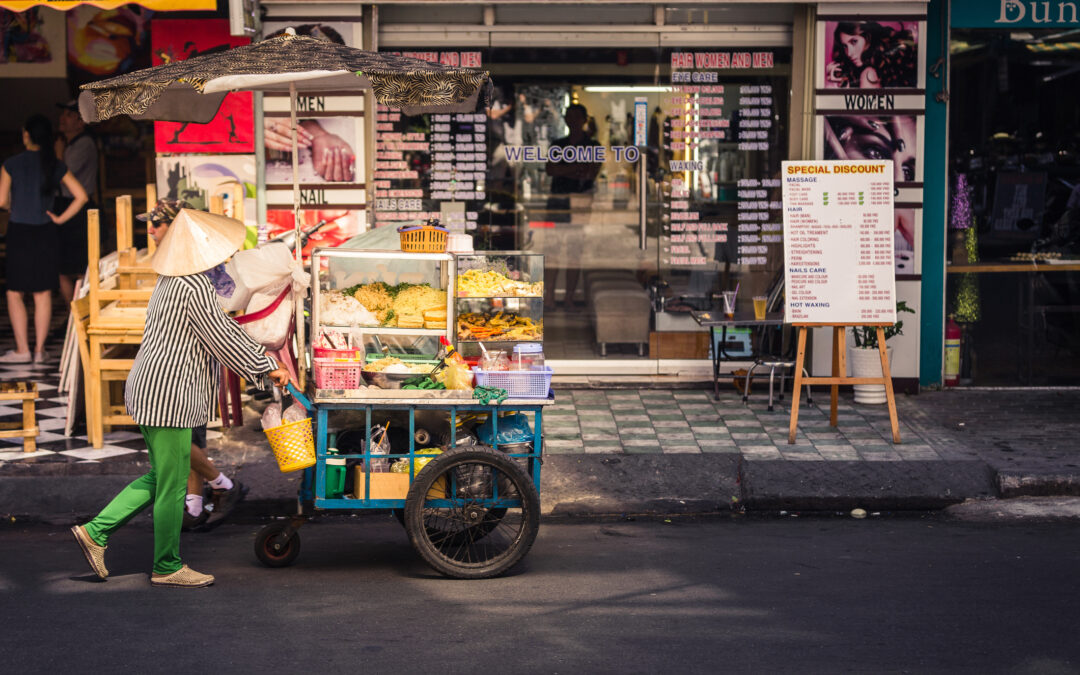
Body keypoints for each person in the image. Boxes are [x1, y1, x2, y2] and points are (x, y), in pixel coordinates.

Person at [71, 208, 291, 588]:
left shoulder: (173, 280)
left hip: (152, 390)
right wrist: (264, 365)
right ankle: (166, 565)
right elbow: (222, 336)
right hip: (167, 394)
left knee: (163, 477)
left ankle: (95, 532)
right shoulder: (193, 287)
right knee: (172, 485)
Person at [138, 199, 248, 532]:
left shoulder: (195, 278)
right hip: (177, 373)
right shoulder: (175, 272)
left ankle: (218, 489)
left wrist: (260, 365)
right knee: (184, 442)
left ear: (177, 228)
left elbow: (219, 328)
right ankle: (195, 505)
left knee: (185, 442)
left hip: (186, 374)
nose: (151, 230)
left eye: (157, 224)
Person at [0, 114, 89, 364]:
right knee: (42, 293)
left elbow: (1, 200)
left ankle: (22, 350)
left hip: (20, 231)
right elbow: (81, 196)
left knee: (15, 292)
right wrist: (60, 218)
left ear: (26, 135)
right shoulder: (55, 164)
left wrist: (11, 206)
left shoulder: (11, 164)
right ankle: (39, 351)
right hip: (46, 231)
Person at [541, 103, 602, 310]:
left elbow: (590, 173)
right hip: (557, 202)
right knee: (553, 251)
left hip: (580, 203)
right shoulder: (558, 144)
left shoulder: (594, 146)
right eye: (570, 116)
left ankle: (568, 298)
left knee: (575, 252)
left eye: (577, 117)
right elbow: (550, 170)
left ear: (584, 120)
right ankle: (549, 297)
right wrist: (576, 168)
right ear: (566, 120)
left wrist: (564, 169)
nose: (573, 120)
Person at [54, 99, 98, 306]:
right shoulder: (67, 143)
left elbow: (63, 173)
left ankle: (82, 313)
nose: (63, 119)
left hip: (80, 209)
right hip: (63, 205)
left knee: (81, 266)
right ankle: (74, 314)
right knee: (61, 267)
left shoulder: (84, 143)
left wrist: (58, 153)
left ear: (81, 122)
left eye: (69, 115)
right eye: (63, 114)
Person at [825, 21, 917, 89]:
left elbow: (863, 114)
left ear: (868, 37)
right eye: (845, 46)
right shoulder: (877, 69)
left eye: (854, 42)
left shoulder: (869, 74)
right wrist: (839, 83)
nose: (849, 53)